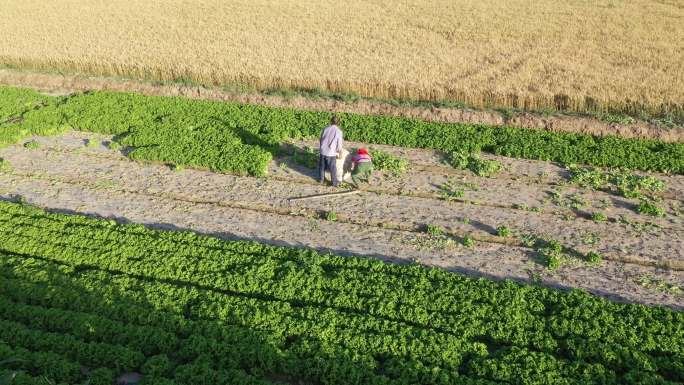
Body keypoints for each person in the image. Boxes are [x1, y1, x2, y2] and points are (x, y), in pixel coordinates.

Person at [319, 115, 344, 186]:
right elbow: (339, 144)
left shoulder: (325, 128)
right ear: (338, 123)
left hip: (323, 151)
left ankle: (321, 180)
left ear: (331, 121)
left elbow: (321, 139)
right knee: (333, 168)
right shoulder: (339, 131)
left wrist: (321, 148)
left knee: (322, 166)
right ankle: (334, 183)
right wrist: (340, 153)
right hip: (331, 153)